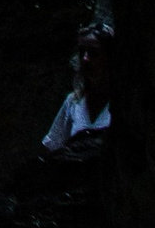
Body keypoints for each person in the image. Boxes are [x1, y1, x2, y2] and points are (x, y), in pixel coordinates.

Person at [41, 22, 114, 156]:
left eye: (93, 53)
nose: (85, 59)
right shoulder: (74, 102)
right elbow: (52, 146)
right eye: (82, 52)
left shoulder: (123, 104)